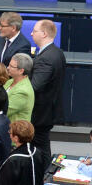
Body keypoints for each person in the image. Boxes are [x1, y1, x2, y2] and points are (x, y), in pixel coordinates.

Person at [30, 20, 66, 162]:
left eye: (35, 31)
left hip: (40, 113)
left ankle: (43, 176)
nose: (31, 33)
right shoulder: (56, 52)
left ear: (44, 34)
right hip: (47, 110)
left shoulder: (46, 58)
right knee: (42, 145)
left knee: (40, 146)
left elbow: (34, 86)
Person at [4, 52, 35, 122]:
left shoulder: (23, 91)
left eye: (11, 66)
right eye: (9, 65)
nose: (8, 68)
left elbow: (4, 110)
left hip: (14, 130)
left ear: (21, 71)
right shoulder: (10, 81)